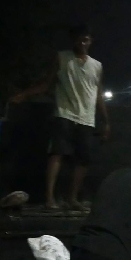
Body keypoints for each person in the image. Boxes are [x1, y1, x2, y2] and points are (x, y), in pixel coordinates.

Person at [12, 23, 109, 211]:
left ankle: (72, 198)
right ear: (73, 39)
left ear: (90, 41)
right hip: (64, 114)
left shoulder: (97, 66)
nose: (82, 42)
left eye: (86, 39)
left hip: (87, 118)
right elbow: (47, 84)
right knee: (57, 154)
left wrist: (106, 121)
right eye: (79, 38)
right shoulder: (62, 58)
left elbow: (98, 94)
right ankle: (50, 198)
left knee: (83, 159)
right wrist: (24, 95)